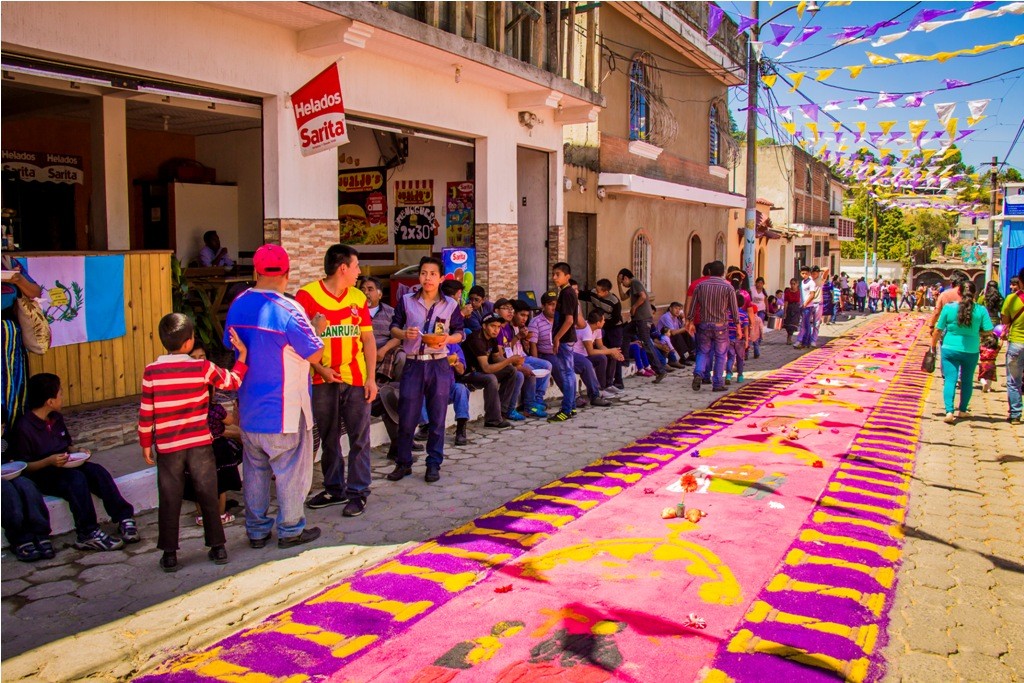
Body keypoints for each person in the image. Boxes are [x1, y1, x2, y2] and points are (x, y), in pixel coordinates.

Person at [225, 244, 325, 550]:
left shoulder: (237, 304)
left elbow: (232, 345)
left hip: (250, 407)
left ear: (255, 272)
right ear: (287, 274)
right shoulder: (289, 310)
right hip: (285, 409)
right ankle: (291, 528)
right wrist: (318, 328)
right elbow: (315, 351)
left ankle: (256, 531)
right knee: (291, 471)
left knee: (254, 470)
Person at [139, 313, 247, 571]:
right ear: (189, 342)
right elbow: (233, 381)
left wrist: (145, 441)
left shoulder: (151, 371)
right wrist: (242, 355)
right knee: (208, 493)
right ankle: (217, 547)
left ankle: (169, 554)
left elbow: (146, 411)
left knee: (169, 497)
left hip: (167, 446)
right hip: (199, 443)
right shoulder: (202, 368)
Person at [11, 373, 138, 551]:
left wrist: (76, 452)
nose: (62, 396)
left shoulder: (56, 418)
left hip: (64, 464)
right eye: (60, 393)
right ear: (49, 401)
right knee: (76, 480)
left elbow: (66, 444)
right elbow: (23, 465)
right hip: (42, 472)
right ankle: (87, 532)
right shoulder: (24, 427)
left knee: (96, 472)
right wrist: (49, 461)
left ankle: (123, 516)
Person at [296, 245, 378, 517]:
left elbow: (367, 339)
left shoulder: (357, 297)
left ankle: (358, 492)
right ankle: (334, 488)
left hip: (355, 378)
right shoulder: (306, 296)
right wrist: (319, 368)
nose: (359, 273)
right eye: (356, 267)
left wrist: (371, 378)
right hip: (322, 379)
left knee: (359, 437)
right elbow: (300, 342)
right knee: (329, 436)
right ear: (343, 268)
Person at [387, 256, 465, 483]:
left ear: (441, 278)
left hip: (439, 363)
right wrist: (404, 334)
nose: (427, 278)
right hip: (413, 362)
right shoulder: (406, 301)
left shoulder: (451, 305)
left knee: (437, 416)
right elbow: (394, 327)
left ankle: (434, 463)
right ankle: (403, 463)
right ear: (419, 276)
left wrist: (448, 339)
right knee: (407, 415)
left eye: (432, 274)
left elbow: (461, 332)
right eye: (423, 273)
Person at [185, 342, 243, 527]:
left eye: (201, 357)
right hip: (214, 448)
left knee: (198, 483)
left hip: (194, 449)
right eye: (192, 357)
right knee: (220, 484)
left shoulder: (194, 405)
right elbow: (229, 423)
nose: (197, 362)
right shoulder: (215, 409)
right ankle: (220, 514)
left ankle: (203, 515)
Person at [931, 281, 993, 424]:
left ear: (959, 293)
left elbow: (938, 329)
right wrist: (977, 333)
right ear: (975, 293)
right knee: (967, 381)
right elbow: (988, 330)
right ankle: (963, 410)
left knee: (950, 380)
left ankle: (949, 411)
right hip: (971, 350)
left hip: (949, 348)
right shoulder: (981, 310)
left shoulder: (949, 308)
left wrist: (932, 347)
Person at [686, 260, 740, 393]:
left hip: (704, 324)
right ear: (723, 272)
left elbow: (693, 306)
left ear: (710, 271)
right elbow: (734, 309)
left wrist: (690, 321)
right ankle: (717, 383)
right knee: (720, 354)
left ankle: (698, 373)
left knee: (703, 351)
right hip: (721, 325)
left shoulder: (701, 286)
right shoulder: (728, 287)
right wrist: (738, 326)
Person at [1, 254, 42, 425]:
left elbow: (35, 292)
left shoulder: (8, 262)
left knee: (13, 387)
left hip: (10, 336)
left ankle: (11, 438)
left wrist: (17, 279)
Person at [1, 431, 54, 562]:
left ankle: (40, 533)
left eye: (1, 428)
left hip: (6, 473)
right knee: (8, 493)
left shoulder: (3, 442)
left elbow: (9, 459)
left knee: (27, 486)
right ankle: (19, 538)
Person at [617, 268, 666, 383]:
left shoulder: (635, 282)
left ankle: (660, 370)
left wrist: (634, 307)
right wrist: (618, 284)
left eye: (622, 281)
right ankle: (625, 359)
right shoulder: (632, 286)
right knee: (626, 332)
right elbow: (623, 297)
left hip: (642, 319)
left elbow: (643, 297)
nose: (623, 284)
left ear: (626, 278)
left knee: (646, 343)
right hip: (637, 320)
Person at [578, 279, 626, 389]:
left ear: (605, 292)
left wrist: (601, 326)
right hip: (600, 325)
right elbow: (582, 295)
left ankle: (617, 381)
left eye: (599, 291)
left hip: (614, 327)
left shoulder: (614, 302)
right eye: (596, 288)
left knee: (615, 352)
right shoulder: (593, 293)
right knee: (606, 354)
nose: (596, 292)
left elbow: (615, 319)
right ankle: (604, 384)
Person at [549, 263, 580, 421]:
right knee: (569, 374)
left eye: (558, 274)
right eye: (553, 274)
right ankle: (572, 407)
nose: (554, 277)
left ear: (567, 276)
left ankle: (566, 409)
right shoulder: (564, 292)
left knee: (567, 374)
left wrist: (557, 338)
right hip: (566, 339)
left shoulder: (567, 293)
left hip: (565, 339)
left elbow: (569, 320)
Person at [509, 300, 551, 415]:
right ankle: (529, 405)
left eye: (527, 316)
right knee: (529, 370)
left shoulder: (520, 327)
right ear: (514, 313)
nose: (525, 318)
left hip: (523, 356)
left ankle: (537, 399)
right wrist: (518, 337)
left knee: (547, 365)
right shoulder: (508, 327)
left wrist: (525, 339)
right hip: (513, 360)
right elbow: (506, 349)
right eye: (522, 315)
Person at [362, 276, 403, 383]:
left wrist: (383, 350)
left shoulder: (390, 312)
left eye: (370, 289)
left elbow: (398, 337)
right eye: (362, 290)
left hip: (384, 352)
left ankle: (396, 390)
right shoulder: (354, 311)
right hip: (361, 352)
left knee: (402, 357)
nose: (365, 293)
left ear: (380, 294)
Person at [579, 309, 624, 394]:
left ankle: (609, 385)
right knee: (601, 358)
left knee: (611, 355)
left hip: (587, 354)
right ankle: (601, 389)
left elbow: (600, 345)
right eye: (603, 320)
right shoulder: (586, 329)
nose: (604, 322)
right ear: (598, 323)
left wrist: (614, 352)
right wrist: (610, 351)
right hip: (581, 356)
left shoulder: (597, 328)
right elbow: (591, 352)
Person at [1001, 274, 1024, 424]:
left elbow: (1005, 320)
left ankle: (1015, 414)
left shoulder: (1012, 299)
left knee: (1014, 380)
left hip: (1017, 343)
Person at [725, 291, 750, 384]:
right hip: (740, 340)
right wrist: (747, 340)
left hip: (729, 338)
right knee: (740, 358)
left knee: (730, 357)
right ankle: (740, 376)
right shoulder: (744, 314)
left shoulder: (727, 313)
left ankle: (728, 375)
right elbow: (746, 328)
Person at [658, 302, 693, 366]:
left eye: (679, 309)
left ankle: (691, 353)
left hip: (671, 336)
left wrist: (683, 319)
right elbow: (673, 332)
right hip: (663, 338)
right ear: (670, 308)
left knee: (685, 333)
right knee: (677, 336)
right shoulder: (666, 317)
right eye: (676, 308)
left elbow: (679, 329)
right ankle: (684, 357)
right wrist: (686, 328)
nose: (678, 311)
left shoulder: (675, 317)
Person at [795, 266, 819, 349]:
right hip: (802, 305)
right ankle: (806, 342)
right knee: (804, 324)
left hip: (808, 306)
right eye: (802, 273)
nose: (804, 275)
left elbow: (812, 295)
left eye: (806, 273)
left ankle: (806, 342)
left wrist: (805, 303)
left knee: (806, 325)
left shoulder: (811, 282)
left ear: (809, 273)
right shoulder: (802, 282)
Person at [783, 280, 801, 345]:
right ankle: (789, 336)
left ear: (797, 284)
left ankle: (790, 336)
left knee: (794, 323)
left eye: (794, 284)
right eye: (791, 284)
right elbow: (786, 302)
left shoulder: (799, 291)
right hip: (789, 308)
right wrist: (784, 311)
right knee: (788, 324)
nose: (792, 285)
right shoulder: (788, 292)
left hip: (796, 308)